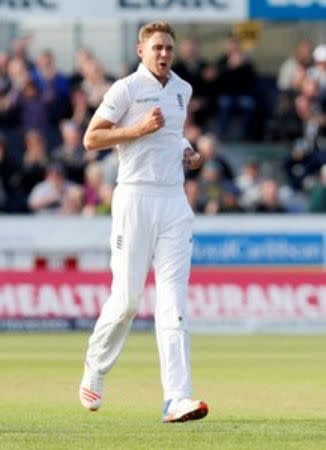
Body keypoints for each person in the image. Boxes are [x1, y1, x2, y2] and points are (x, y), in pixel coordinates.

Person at [79, 21, 208, 423]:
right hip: (134, 197)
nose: (164, 54)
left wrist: (190, 153)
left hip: (173, 200)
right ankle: (96, 367)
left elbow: (172, 135)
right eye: (156, 48)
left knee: (174, 304)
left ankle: (177, 398)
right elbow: (91, 139)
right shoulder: (125, 90)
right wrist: (138, 129)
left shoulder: (182, 89)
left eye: (169, 47)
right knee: (127, 302)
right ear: (141, 51)